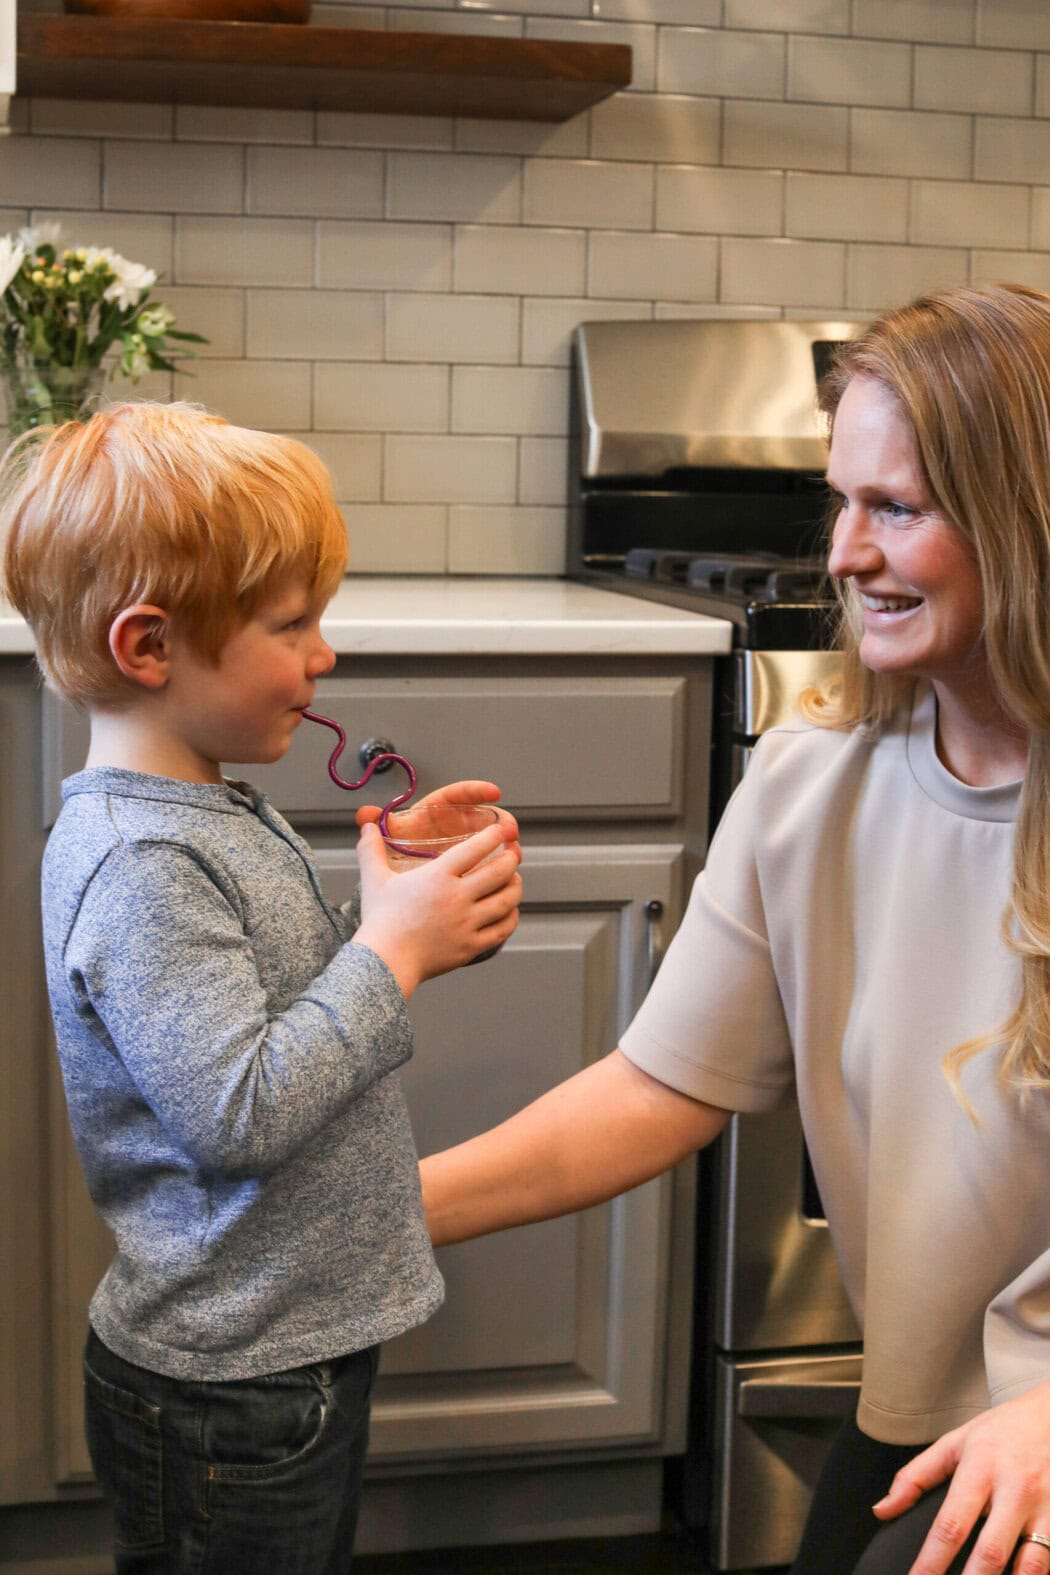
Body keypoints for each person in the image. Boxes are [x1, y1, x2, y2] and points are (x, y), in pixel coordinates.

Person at [418, 282, 1050, 1575]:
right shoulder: (812, 781)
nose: (841, 554)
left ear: (1021, 522)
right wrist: (376, 1213)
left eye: (895, 508)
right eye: (839, 500)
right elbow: (659, 1084)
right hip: (926, 1406)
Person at [0, 401, 522, 1575]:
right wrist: (391, 955)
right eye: (293, 625)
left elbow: (265, 1018)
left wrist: (394, 915)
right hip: (231, 1394)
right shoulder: (144, 861)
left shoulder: (205, 806)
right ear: (150, 648)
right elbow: (236, 1113)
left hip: (282, 1355)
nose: (324, 656)